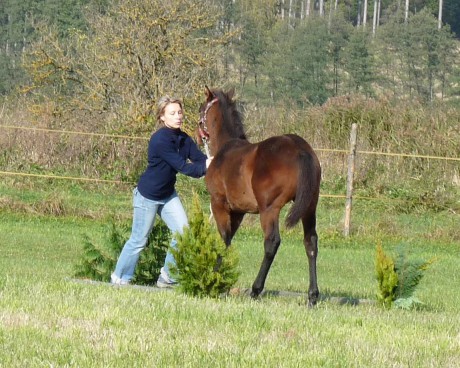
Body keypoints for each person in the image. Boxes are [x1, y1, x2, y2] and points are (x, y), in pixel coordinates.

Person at [111, 96, 213, 288]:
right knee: (139, 240)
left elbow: (199, 159)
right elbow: (184, 167)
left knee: (183, 232)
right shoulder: (160, 140)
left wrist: (214, 161)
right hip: (147, 197)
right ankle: (120, 278)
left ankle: (167, 277)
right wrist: (207, 166)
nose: (178, 117)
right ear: (162, 118)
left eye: (179, 112)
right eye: (172, 113)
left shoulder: (183, 139)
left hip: (167, 195)